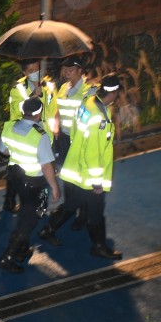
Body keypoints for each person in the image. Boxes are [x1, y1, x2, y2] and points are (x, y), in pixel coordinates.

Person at [39, 74, 123, 260]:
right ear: (115, 93)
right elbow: (93, 152)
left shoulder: (88, 102)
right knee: (96, 212)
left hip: (76, 167)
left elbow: (78, 134)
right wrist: (96, 182)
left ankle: (48, 229)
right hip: (88, 176)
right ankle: (98, 247)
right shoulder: (99, 117)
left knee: (72, 204)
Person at [0, 97, 62, 274]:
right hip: (34, 183)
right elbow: (46, 165)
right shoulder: (40, 134)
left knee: (26, 209)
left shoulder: (9, 126)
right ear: (39, 113)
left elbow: (2, 149)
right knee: (29, 219)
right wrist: (54, 186)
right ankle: (8, 257)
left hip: (16, 177)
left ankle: (22, 249)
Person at [3, 59, 60, 213]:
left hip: (44, 136)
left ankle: (40, 205)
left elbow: (54, 107)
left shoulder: (49, 86)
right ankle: (10, 199)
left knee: (45, 171)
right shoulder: (18, 89)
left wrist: (55, 126)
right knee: (17, 170)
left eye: (37, 69)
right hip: (25, 136)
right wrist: (32, 97)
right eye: (31, 71)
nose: (35, 73)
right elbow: (16, 112)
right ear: (24, 73)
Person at [55, 56, 94, 229]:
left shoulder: (89, 90)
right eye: (65, 70)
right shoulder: (63, 88)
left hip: (79, 140)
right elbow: (57, 109)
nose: (67, 73)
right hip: (63, 139)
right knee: (67, 177)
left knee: (81, 179)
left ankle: (84, 214)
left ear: (80, 70)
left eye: (71, 70)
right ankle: (70, 207)